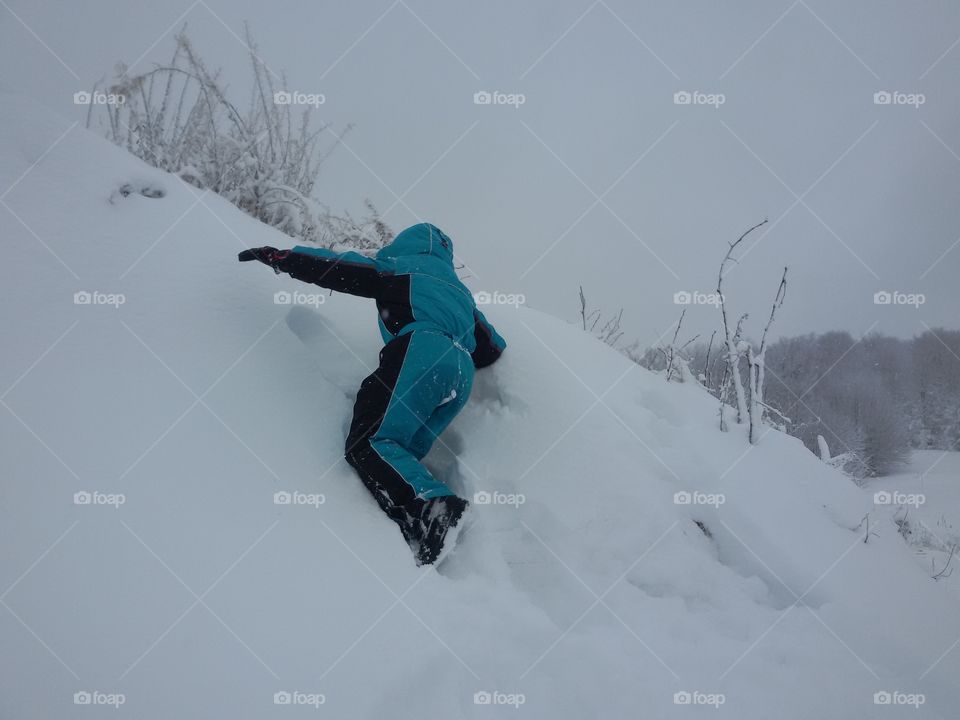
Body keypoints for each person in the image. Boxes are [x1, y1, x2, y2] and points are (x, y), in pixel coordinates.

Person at [239, 223, 506, 564]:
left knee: (369, 441)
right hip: (461, 374)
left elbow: (342, 268)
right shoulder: (461, 293)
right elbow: (491, 347)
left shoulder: (403, 268)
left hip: (421, 350)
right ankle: (424, 517)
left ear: (405, 244)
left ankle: (434, 510)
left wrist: (284, 258)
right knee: (399, 448)